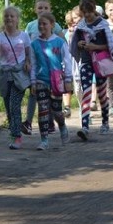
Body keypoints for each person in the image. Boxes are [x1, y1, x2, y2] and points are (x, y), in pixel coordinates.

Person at [70, 0, 113, 140]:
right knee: (86, 92)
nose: (87, 15)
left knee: (102, 94)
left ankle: (105, 121)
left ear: (94, 10)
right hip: (86, 61)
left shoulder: (103, 25)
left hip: (100, 62)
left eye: (89, 12)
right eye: (85, 13)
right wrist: (80, 44)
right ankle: (85, 126)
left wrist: (95, 47)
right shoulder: (81, 26)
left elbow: (110, 45)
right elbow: (75, 43)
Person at [0, 5, 34, 150]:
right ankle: (14, 131)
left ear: (17, 19)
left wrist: (28, 62)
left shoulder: (24, 36)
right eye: (6, 16)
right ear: (3, 19)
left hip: (19, 74)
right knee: (9, 107)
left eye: (12, 16)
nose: (9, 18)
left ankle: (16, 136)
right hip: (4, 74)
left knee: (14, 104)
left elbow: (29, 53)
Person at [31, 12, 73, 150]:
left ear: (52, 25)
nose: (42, 26)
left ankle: (62, 126)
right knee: (42, 109)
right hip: (41, 80)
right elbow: (33, 64)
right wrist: (33, 82)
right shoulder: (35, 44)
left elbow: (67, 61)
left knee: (56, 111)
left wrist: (68, 80)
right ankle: (44, 140)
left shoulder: (59, 42)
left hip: (56, 81)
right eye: (40, 24)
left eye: (45, 24)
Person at [22, 0, 64, 135]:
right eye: (40, 8)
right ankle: (28, 122)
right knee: (33, 93)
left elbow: (63, 42)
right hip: (36, 65)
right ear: (35, 9)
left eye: (46, 8)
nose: (42, 10)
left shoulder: (55, 25)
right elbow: (25, 45)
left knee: (50, 94)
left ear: (50, 10)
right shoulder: (30, 26)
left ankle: (50, 121)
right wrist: (27, 60)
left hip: (51, 66)